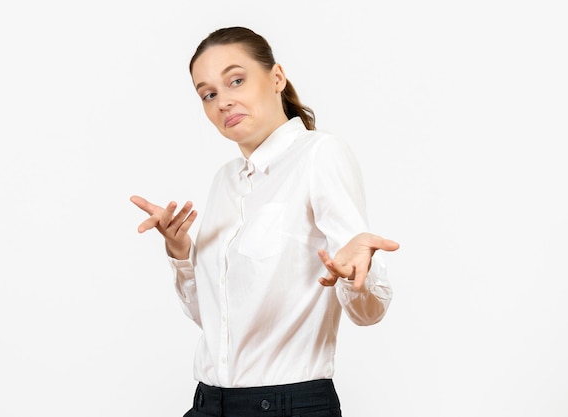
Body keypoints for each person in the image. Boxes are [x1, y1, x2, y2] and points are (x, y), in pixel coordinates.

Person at [130, 26, 400, 417]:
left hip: (286, 406)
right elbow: (214, 320)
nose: (222, 101)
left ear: (276, 77)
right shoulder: (224, 181)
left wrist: (358, 271)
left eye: (235, 80)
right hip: (210, 403)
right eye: (208, 94)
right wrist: (181, 253)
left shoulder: (319, 155)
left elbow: (369, 312)